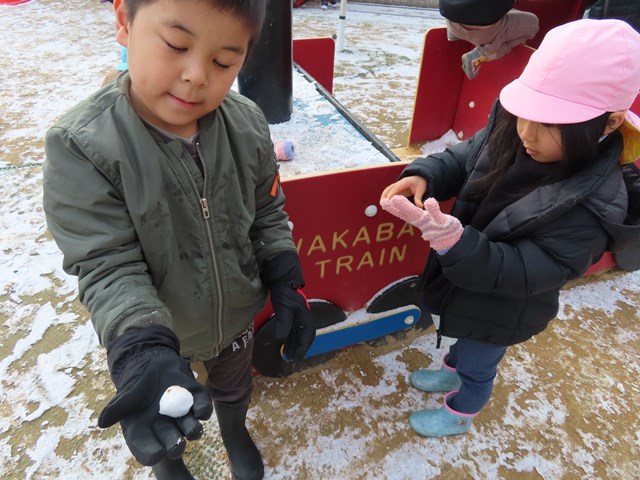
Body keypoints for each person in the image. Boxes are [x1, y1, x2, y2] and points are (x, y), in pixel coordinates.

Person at [42, 0, 316, 479]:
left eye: (224, 62)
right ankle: (169, 460)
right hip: (159, 328)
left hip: (234, 316)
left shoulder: (247, 122)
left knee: (233, 386)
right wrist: (142, 348)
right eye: (175, 45)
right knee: (166, 401)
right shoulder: (82, 145)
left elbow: (267, 209)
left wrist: (283, 272)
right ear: (125, 21)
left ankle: (234, 429)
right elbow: (107, 263)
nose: (196, 76)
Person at [379, 18, 640, 438]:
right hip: (466, 283)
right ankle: (451, 370)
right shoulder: (514, 128)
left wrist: (455, 242)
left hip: (503, 310)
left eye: (552, 122)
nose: (527, 134)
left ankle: (461, 412)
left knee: (479, 363)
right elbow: (468, 156)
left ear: (608, 123)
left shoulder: (592, 206)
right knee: (461, 338)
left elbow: (525, 270)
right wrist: (426, 173)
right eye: (526, 113)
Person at [439, 0, 539, 79]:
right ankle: (483, 54)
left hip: (451, 21)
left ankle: (453, 33)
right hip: (484, 33)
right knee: (533, 23)